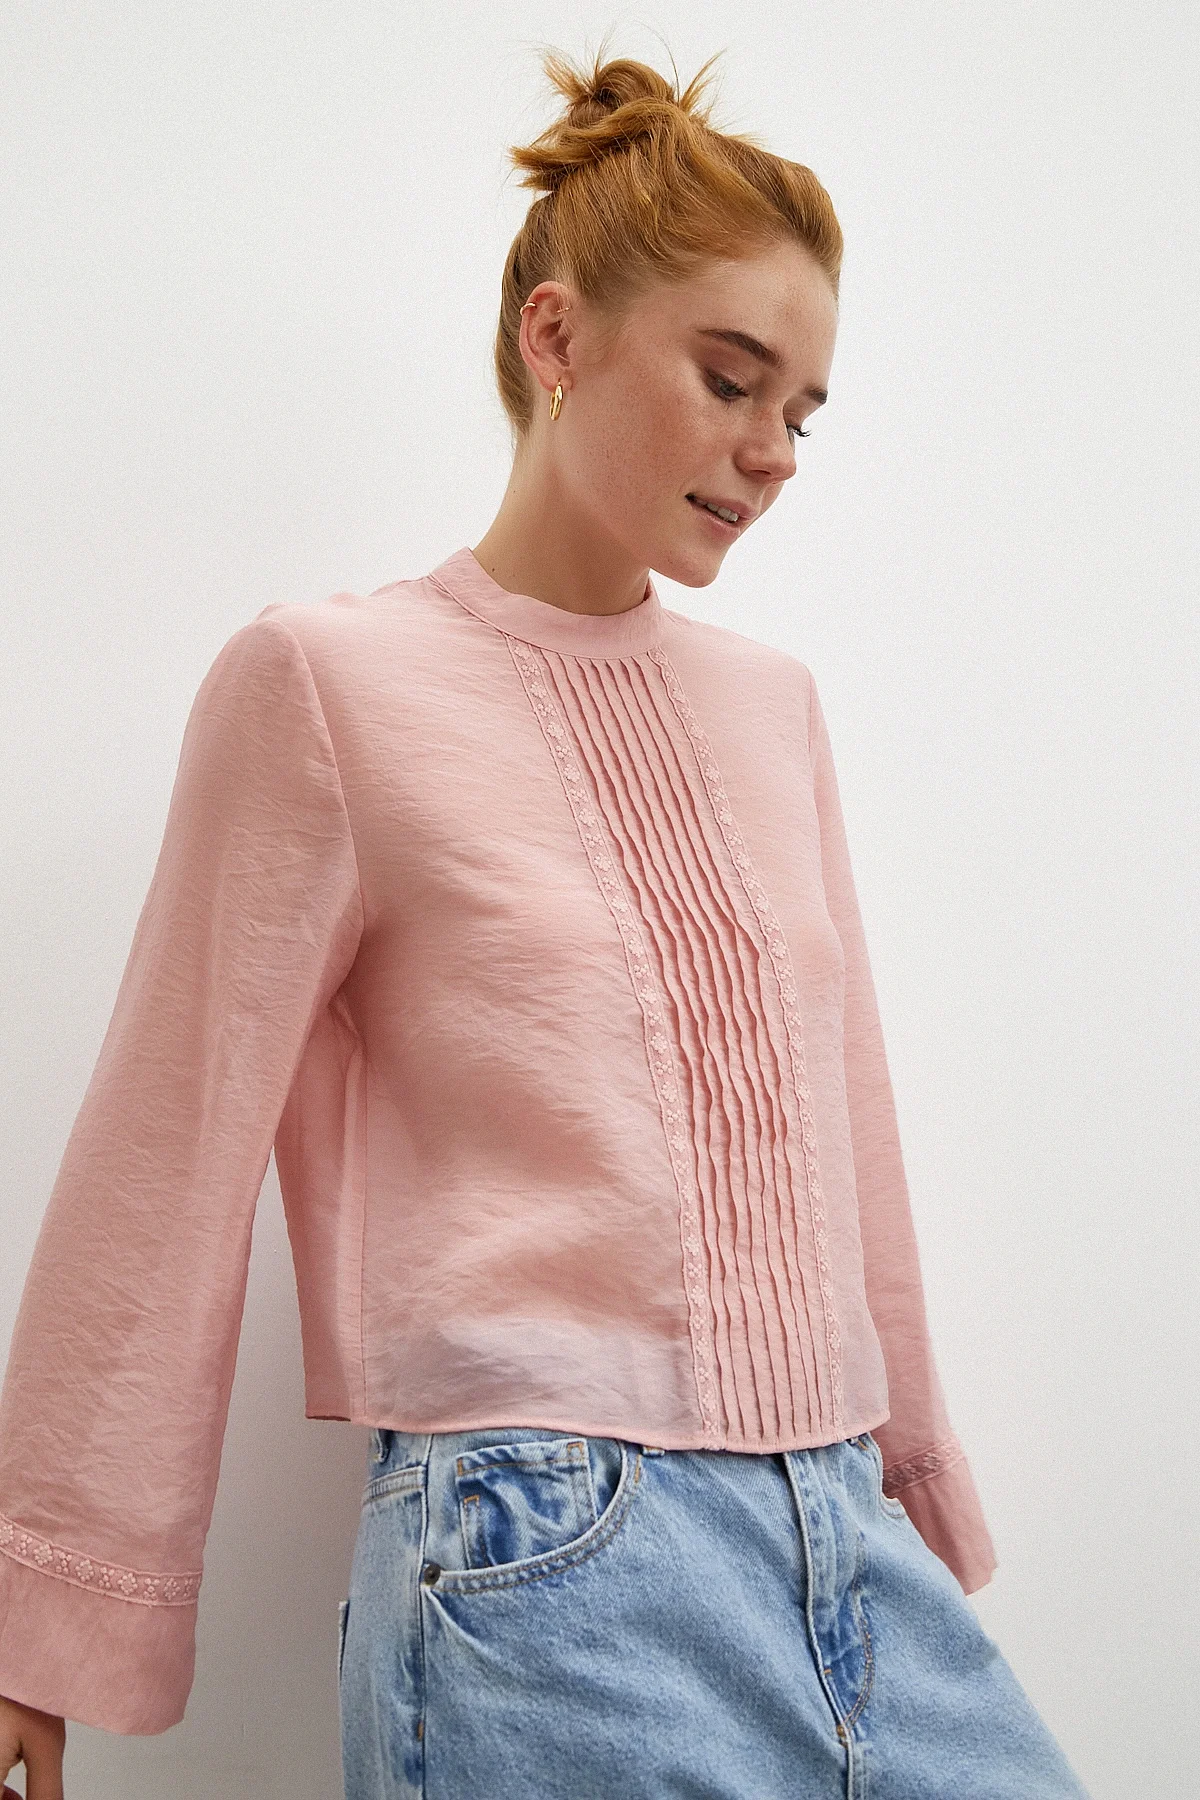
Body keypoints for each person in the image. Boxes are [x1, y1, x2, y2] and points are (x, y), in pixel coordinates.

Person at [0, 40, 1091, 1800]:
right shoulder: (328, 682)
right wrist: (38, 1626)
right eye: (731, 379)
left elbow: (850, 1133)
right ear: (556, 336)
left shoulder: (774, 708)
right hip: (541, 1557)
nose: (771, 451)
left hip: (842, 1539)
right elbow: (164, 1154)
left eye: (803, 412)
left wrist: (908, 1482)